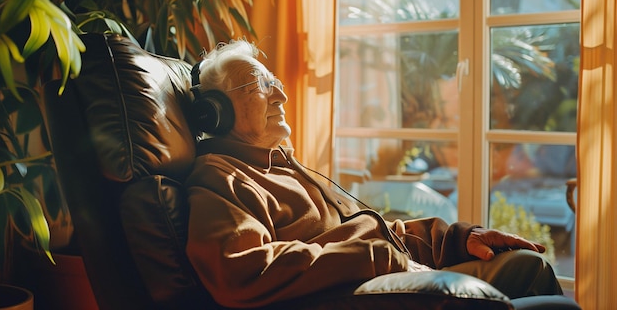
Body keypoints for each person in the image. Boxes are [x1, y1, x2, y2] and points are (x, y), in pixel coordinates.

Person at [183, 39, 563, 309]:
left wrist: (456, 240)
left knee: (525, 265)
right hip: (357, 293)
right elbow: (241, 269)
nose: (281, 96)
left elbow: (378, 233)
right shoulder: (219, 177)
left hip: (381, 275)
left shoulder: (288, 166)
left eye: (276, 84)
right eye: (261, 86)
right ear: (216, 112)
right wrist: (377, 258)